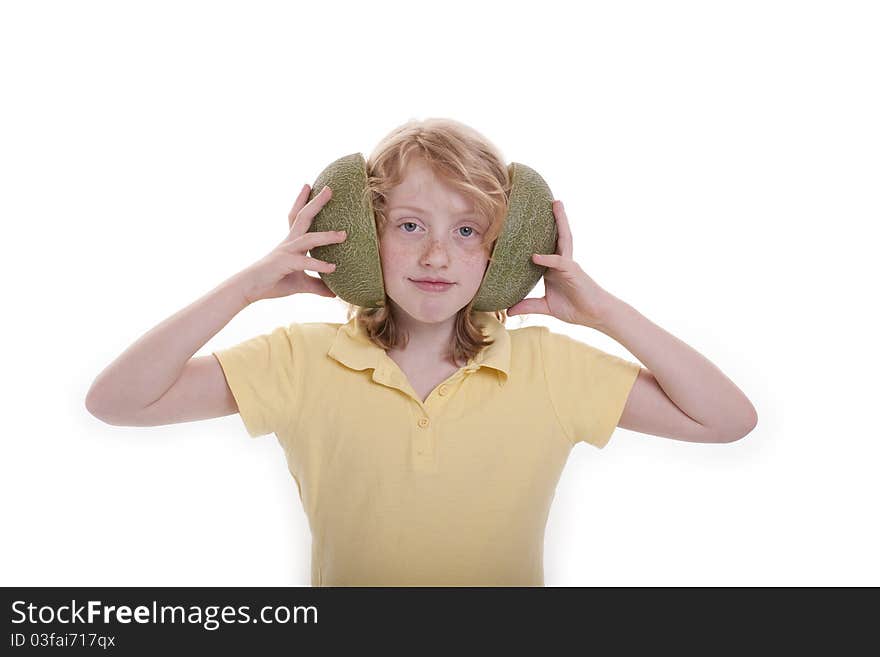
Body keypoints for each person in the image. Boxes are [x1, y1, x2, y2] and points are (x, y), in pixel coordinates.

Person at [85, 117, 758, 587]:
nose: (437, 254)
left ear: (500, 254)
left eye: (467, 230)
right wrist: (248, 286)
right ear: (363, 237)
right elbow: (117, 400)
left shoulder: (550, 368)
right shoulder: (300, 360)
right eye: (410, 226)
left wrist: (604, 312)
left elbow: (726, 418)